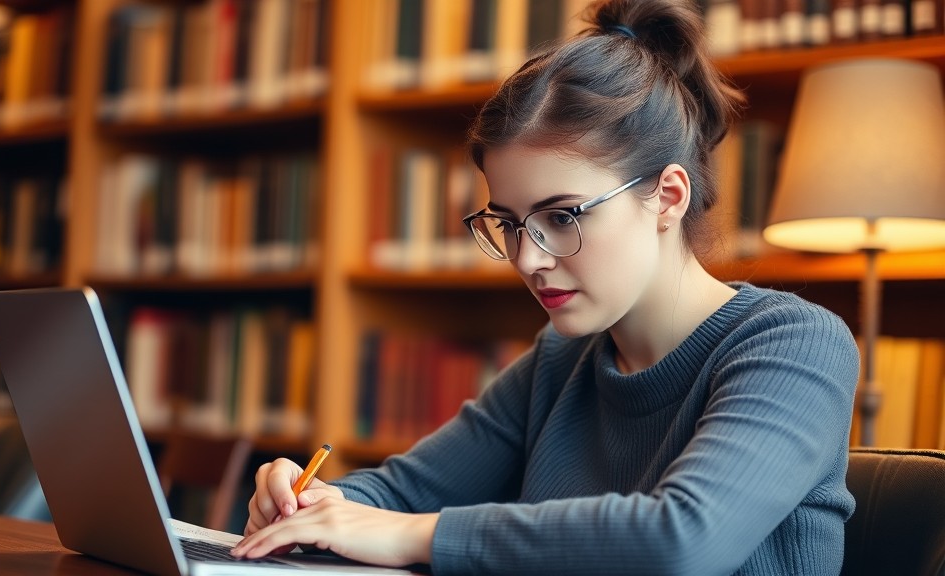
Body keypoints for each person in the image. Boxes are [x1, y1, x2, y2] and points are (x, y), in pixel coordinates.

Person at [232, 0, 861, 573]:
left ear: (667, 196)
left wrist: (410, 535)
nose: (528, 259)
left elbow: (680, 540)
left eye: (562, 217)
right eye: (507, 224)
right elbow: (399, 493)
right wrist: (313, 501)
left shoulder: (793, 345)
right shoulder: (561, 361)